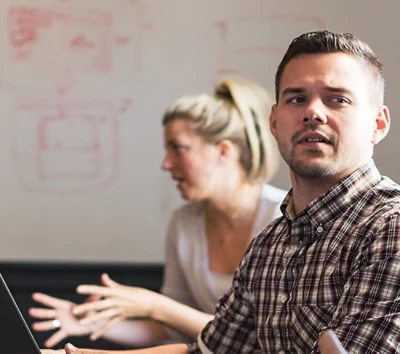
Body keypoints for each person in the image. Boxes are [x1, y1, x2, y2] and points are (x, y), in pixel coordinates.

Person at [51, 29, 400, 353]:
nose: (313, 112)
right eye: (296, 99)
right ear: (275, 123)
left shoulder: (390, 228)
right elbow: (209, 351)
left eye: (337, 99)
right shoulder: (269, 244)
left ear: (378, 124)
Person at [30, 77, 287, 349]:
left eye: (178, 148)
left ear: (223, 151)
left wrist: (156, 306)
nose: (166, 164)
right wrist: (103, 324)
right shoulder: (184, 223)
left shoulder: (284, 218)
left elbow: (254, 339)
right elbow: (172, 331)